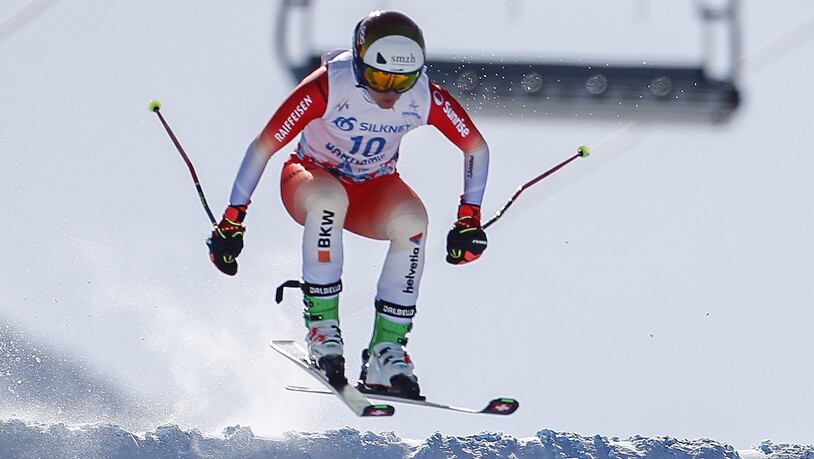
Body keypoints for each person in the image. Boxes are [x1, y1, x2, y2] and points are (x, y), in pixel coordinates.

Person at [207, 10, 489, 398]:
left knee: (413, 222)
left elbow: (474, 146)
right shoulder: (329, 86)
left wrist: (469, 218)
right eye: (378, 76)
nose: (390, 92)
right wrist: (232, 220)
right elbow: (264, 146)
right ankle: (322, 330)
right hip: (309, 177)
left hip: (372, 189)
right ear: (358, 64)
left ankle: (386, 351)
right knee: (327, 200)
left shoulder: (423, 96)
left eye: (402, 80)